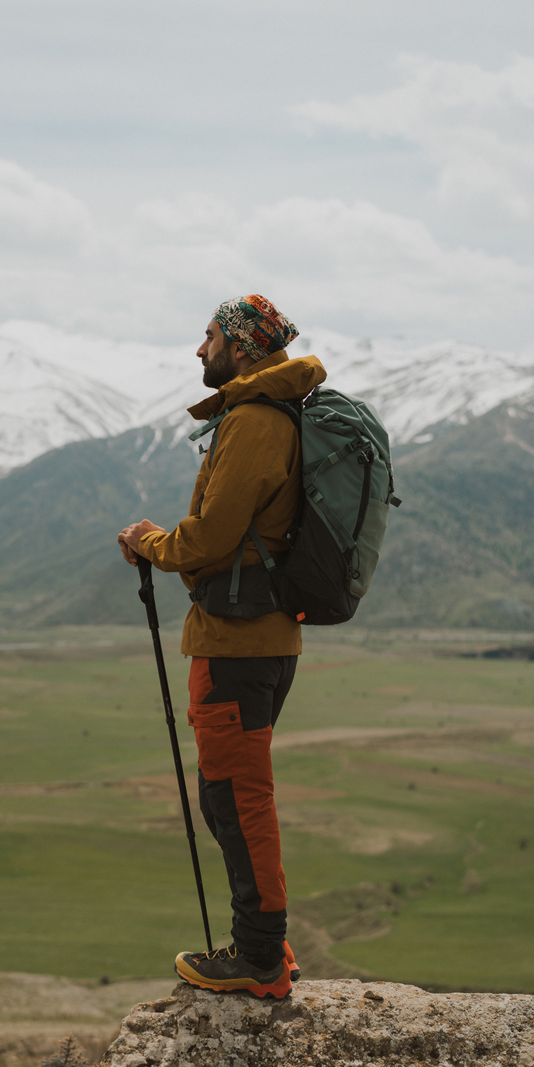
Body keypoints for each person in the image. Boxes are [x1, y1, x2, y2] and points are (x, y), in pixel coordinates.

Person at [117, 295, 326, 999]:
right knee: (230, 796)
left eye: (208, 337)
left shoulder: (256, 423)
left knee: (237, 798)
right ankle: (263, 942)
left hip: (238, 642)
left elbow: (208, 539)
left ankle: (261, 956)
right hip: (256, 634)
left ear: (241, 345)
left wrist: (147, 541)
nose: (198, 351)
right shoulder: (265, 414)